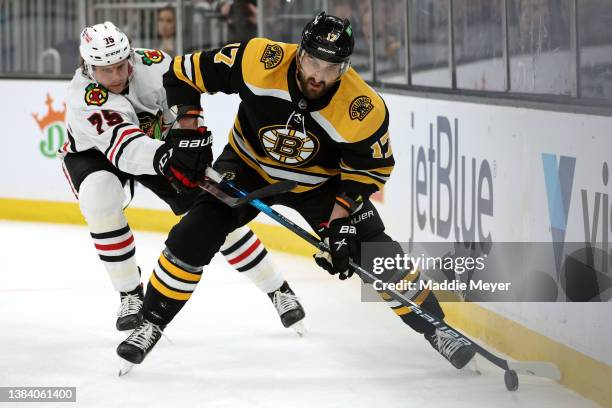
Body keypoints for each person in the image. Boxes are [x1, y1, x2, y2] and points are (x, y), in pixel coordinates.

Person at [117, 12, 476, 370]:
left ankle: (437, 328)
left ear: (346, 67)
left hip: (320, 185)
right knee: (195, 231)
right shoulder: (259, 59)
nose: (319, 74)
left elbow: (371, 168)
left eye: (331, 67)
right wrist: (188, 131)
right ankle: (150, 324)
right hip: (246, 169)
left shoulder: (363, 108)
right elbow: (182, 72)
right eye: (313, 61)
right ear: (300, 52)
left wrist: (341, 219)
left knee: (375, 250)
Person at [59, 21, 305, 335]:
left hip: (157, 142)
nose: (117, 76)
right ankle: (130, 294)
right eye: (107, 70)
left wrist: (191, 147)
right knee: (99, 195)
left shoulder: (154, 64)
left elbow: (186, 103)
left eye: (121, 66)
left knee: (211, 210)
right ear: (88, 65)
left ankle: (278, 289)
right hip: (95, 152)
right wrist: (168, 158)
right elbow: (124, 147)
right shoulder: (83, 96)